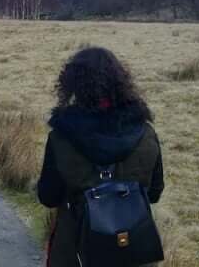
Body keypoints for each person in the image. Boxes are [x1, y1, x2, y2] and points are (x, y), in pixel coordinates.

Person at [37, 47, 165, 267]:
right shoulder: (146, 133)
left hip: (75, 252)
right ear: (120, 82)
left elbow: (48, 196)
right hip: (131, 250)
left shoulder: (61, 138)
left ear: (72, 84)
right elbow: (153, 194)